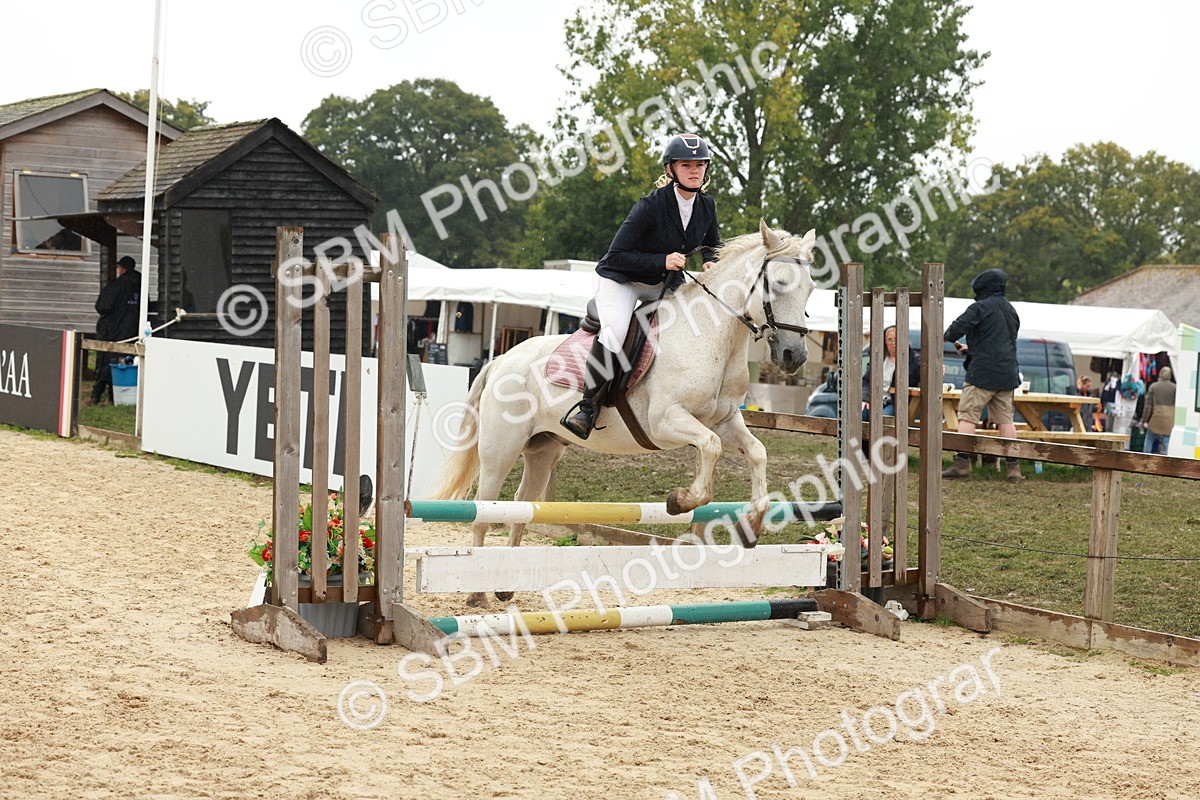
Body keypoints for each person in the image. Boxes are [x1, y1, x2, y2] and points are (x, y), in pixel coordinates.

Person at [560, 132, 720, 439]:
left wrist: (712, 260)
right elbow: (617, 255)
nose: (695, 170)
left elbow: (712, 242)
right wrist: (661, 261)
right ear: (671, 169)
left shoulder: (706, 205)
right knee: (617, 330)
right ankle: (587, 407)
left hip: (664, 283)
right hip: (622, 280)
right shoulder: (650, 206)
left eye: (700, 164)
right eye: (686, 165)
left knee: (690, 323)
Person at [940, 268, 1023, 482]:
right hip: (1007, 374)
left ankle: (962, 465)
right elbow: (1000, 341)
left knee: (967, 416)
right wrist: (973, 347)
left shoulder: (979, 307)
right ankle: (1013, 470)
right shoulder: (1010, 310)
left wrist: (949, 336)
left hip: (982, 374)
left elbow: (954, 330)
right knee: (1006, 420)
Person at [860, 325, 921, 456]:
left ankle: (884, 456)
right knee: (861, 416)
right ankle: (866, 455)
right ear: (885, 341)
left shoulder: (914, 359)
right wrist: (865, 398)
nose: (893, 343)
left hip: (895, 402)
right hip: (875, 399)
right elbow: (866, 380)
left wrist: (937, 369)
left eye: (896, 339)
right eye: (889, 340)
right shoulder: (879, 358)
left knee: (883, 419)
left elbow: (923, 372)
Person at [90, 256, 142, 405]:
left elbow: (102, 306)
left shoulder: (116, 286)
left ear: (122, 269)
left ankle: (97, 396)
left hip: (111, 331)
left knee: (105, 363)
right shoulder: (140, 286)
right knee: (124, 364)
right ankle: (116, 397)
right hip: (132, 332)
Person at [1140, 366, 1175, 454]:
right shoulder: (1175, 388)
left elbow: (1147, 406)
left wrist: (1143, 420)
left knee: (1149, 439)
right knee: (1167, 442)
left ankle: (1144, 459)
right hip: (1169, 420)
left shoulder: (1153, 386)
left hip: (1156, 418)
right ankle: (1168, 463)